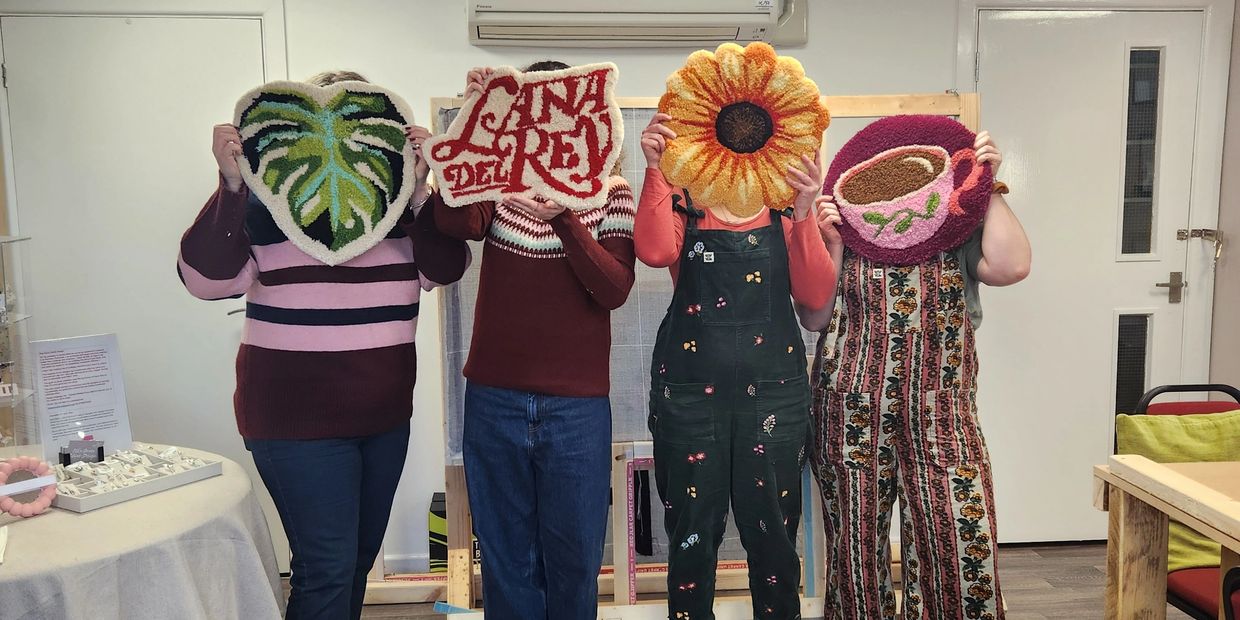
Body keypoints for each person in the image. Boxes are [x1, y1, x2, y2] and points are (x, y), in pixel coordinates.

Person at [177, 70, 468, 620]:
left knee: (353, 561)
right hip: (294, 420)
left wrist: (424, 183)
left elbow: (446, 267)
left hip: (382, 418)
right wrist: (232, 186)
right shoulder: (269, 206)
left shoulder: (401, 211)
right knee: (327, 568)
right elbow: (203, 280)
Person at [433, 61, 637, 619]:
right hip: (494, 399)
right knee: (505, 560)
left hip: (577, 409)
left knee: (574, 562)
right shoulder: (497, 185)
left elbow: (614, 288)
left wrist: (568, 219)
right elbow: (454, 222)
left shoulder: (612, 192)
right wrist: (474, 122)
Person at [802, 132, 1030, 620]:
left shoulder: (955, 224)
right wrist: (834, 243)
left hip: (942, 411)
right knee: (855, 555)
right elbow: (816, 318)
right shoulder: (849, 228)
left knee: (959, 540)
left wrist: (987, 185)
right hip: (849, 405)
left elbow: (1012, 265)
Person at [636, 112, 836, 619]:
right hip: (688, 394)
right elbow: (655, 251)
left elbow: (814, 299)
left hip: (774, 394)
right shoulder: (687, 198)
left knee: (773, 534)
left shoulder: (784, 205)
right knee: (690, 535)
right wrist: (657, 168)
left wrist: (807, 210)